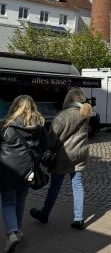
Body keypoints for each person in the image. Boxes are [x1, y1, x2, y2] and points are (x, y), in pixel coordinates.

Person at [30, 88, 92, 230]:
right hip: (81, 153)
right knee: (77, 185)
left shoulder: (63, 116)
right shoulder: (85, 112)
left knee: (55, 185)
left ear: (69, 99)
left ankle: (44, 214)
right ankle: (79, 219)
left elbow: (52, 140)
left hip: (64, 155)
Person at [0, 95, 47, 253]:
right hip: (28, 170)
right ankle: (18, 231)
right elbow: (44, 147)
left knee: (8, 202)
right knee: (20, 199)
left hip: (7, 169)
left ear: (15, 106)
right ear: (32, 106)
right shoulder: (39, 126)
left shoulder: (5, 124)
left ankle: (12, 233)